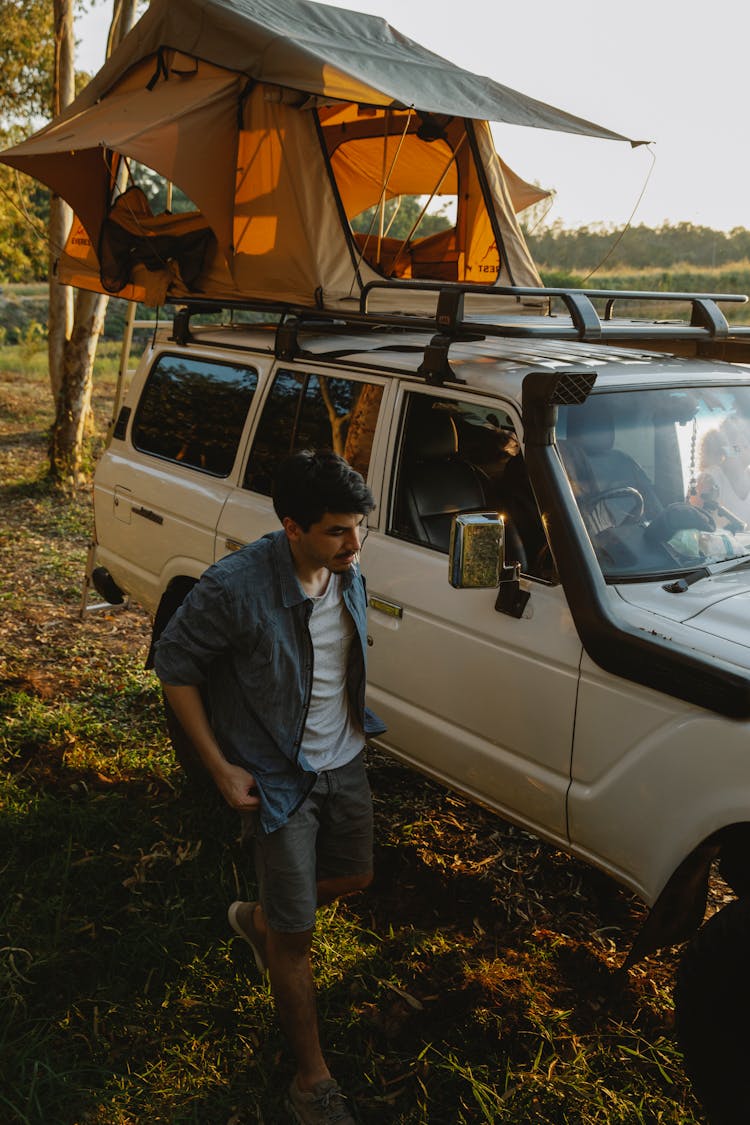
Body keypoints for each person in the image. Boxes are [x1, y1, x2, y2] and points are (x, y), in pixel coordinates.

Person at [154, 449, 384, 1125]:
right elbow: (174, 663)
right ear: (291, 526)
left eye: (358, 527)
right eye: (338, 530)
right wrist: (221, 767)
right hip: (279, 776)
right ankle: (311, 1084)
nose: (355, 543)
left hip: (343, 759)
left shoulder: (345, 567)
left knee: (356, 876)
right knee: (298, 937)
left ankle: (257, 917)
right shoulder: (235, 587)